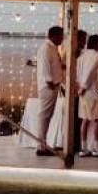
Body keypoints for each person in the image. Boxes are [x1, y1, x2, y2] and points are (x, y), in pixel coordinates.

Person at [34, 26, 65, 156]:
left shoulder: (53, 48)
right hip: (48, 87)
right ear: (54, 36)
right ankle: (41, 146)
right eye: (61, 36)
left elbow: (54, 65)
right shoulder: (46, 49)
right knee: (44, 116)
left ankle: (43, 143)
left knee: (47, 115)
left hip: (54, 85)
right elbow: (45, 68)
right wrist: (50, 83)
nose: (62, 39)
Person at [76, 35, 98, 156]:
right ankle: (96, 148)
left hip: (83, 91)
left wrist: (80, 87)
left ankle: (83, 148)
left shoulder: (82, 56)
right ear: (96, 44)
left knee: (85, 119)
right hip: (91, 90)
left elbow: (78, 74)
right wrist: (83, 87)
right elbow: (90, 71)